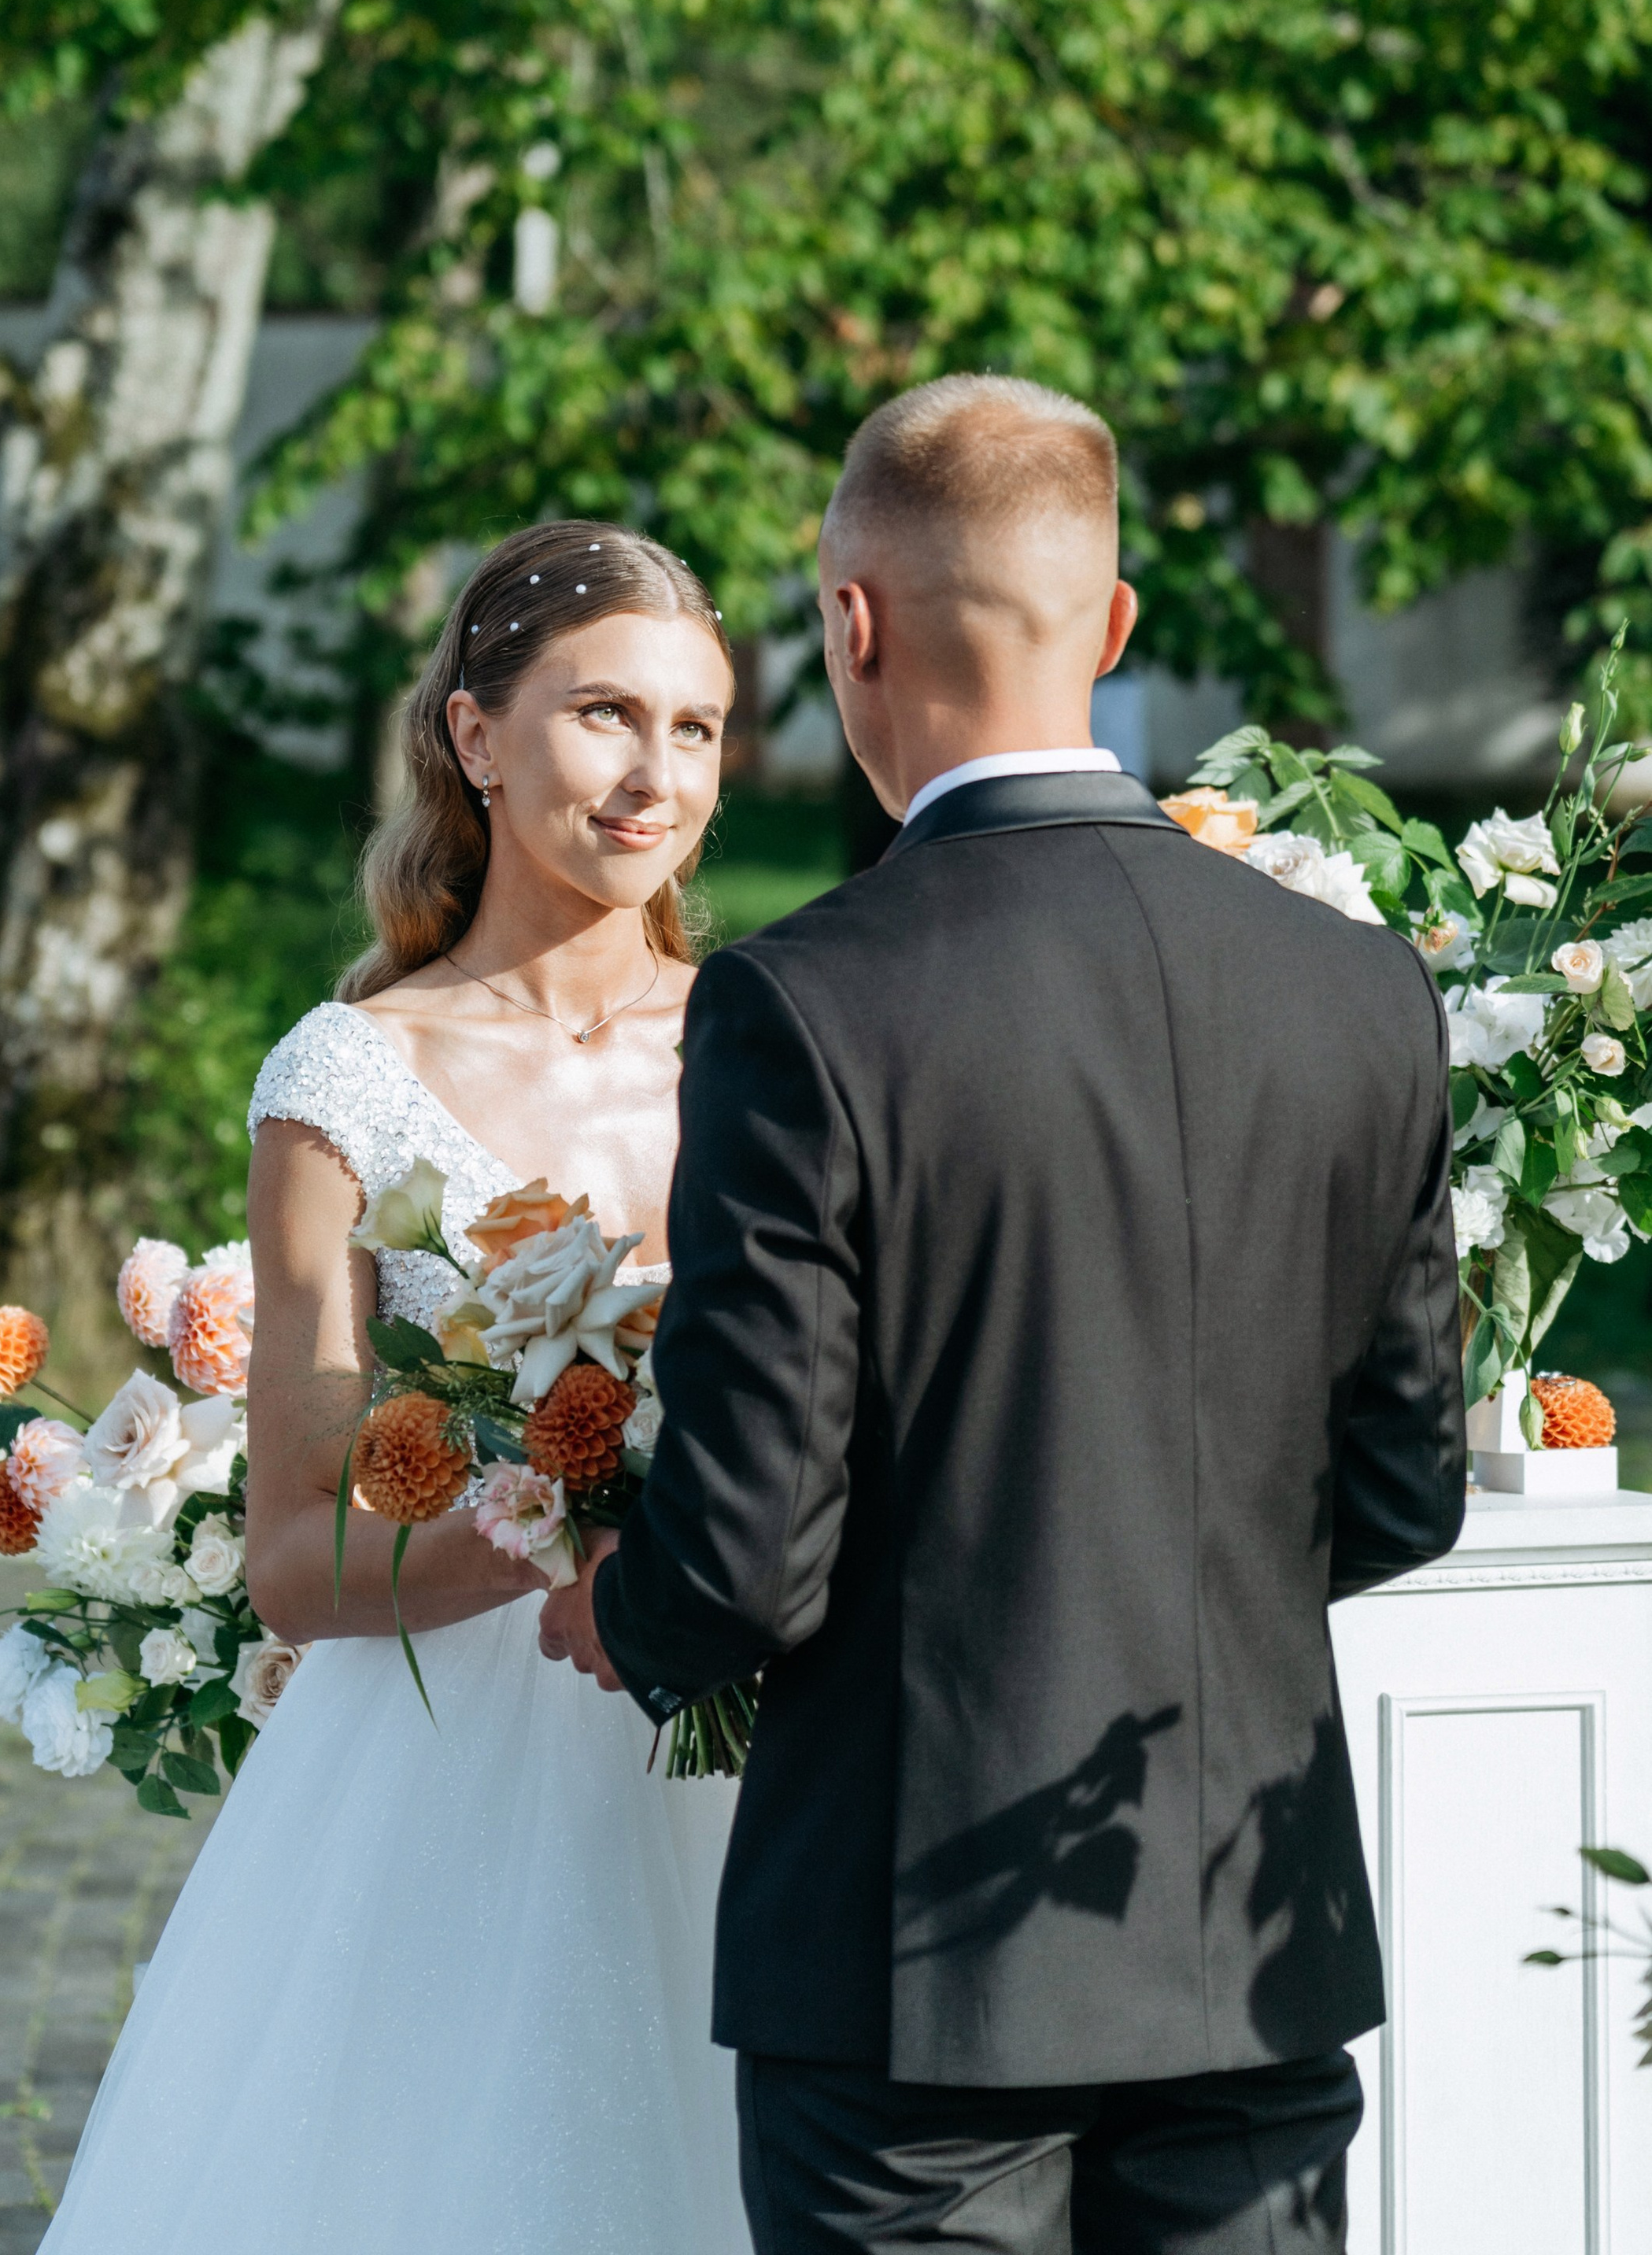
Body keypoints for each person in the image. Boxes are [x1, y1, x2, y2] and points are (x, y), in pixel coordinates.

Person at [541, 374, 1466, 2253]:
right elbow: (1402, 1490)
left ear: (850, 624)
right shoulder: (1361, 990)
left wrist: (612, 1608)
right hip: (1243, 1942)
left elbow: (738, 1552)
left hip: (907, 1979)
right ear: (1113, 628)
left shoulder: (806, 1006)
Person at [36, 520, 751, 2255]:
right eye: (602, 716)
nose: (654, 774)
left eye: (697, 727)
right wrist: (562, 1509)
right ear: (473, 735)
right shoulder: (348, 1080)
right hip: (452, 1791)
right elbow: (294, 1558)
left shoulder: (773, 1033)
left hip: (753, 1751)